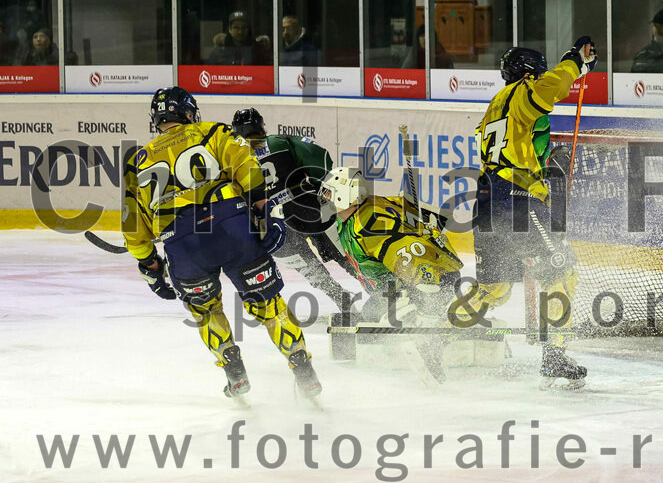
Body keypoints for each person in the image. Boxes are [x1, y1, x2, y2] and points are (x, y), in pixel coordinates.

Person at [121, 87, 322, 402]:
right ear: (189, 112)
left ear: (157, 119)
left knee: (205, 309)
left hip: (182, 242)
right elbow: (248, 168)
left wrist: (150, 265)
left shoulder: (138, 161)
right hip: (232, 227)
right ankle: (301, 366)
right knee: (269, 306)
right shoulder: (214, 130)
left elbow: (133, 228)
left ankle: (233, 368)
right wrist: (263, 215)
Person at [472, 37, 597, 389]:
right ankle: (555, 354)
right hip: (519, 204)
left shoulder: (496, 105)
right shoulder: (522, 94)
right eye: (537, 73)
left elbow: (518, 150)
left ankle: (442, 335)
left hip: (486, 205)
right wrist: (575, 61)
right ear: (528, 74)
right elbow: (550, 89)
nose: (541, 78)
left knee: (493, 289)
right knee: (561, 270)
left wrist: (544, 163)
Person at [318, 166, 464, 384]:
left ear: (344, 194)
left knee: (393, 317)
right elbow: (434, 217)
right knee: (370, 317)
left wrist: (421, 307)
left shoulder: (369, 225)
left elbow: (411, 260)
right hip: (402, 281)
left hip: (432, 279)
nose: (324, 197)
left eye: (329, 192)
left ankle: (431, 345)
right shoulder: (353, 215)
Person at [230, 107, 356, 316]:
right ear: (261, 126)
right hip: (306, 206)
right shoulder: (279, 142)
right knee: (342, 253)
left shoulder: (234, 160)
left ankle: (342, 300)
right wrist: (318, 185)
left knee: (310, 268)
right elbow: (321, 158)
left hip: (272, 224)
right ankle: (375, 288)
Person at [207, 11, 272, 65]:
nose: (240, 32)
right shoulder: (218, 52)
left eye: (244, 27)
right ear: (230, 29)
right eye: (236, 28)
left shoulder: (258, 51)